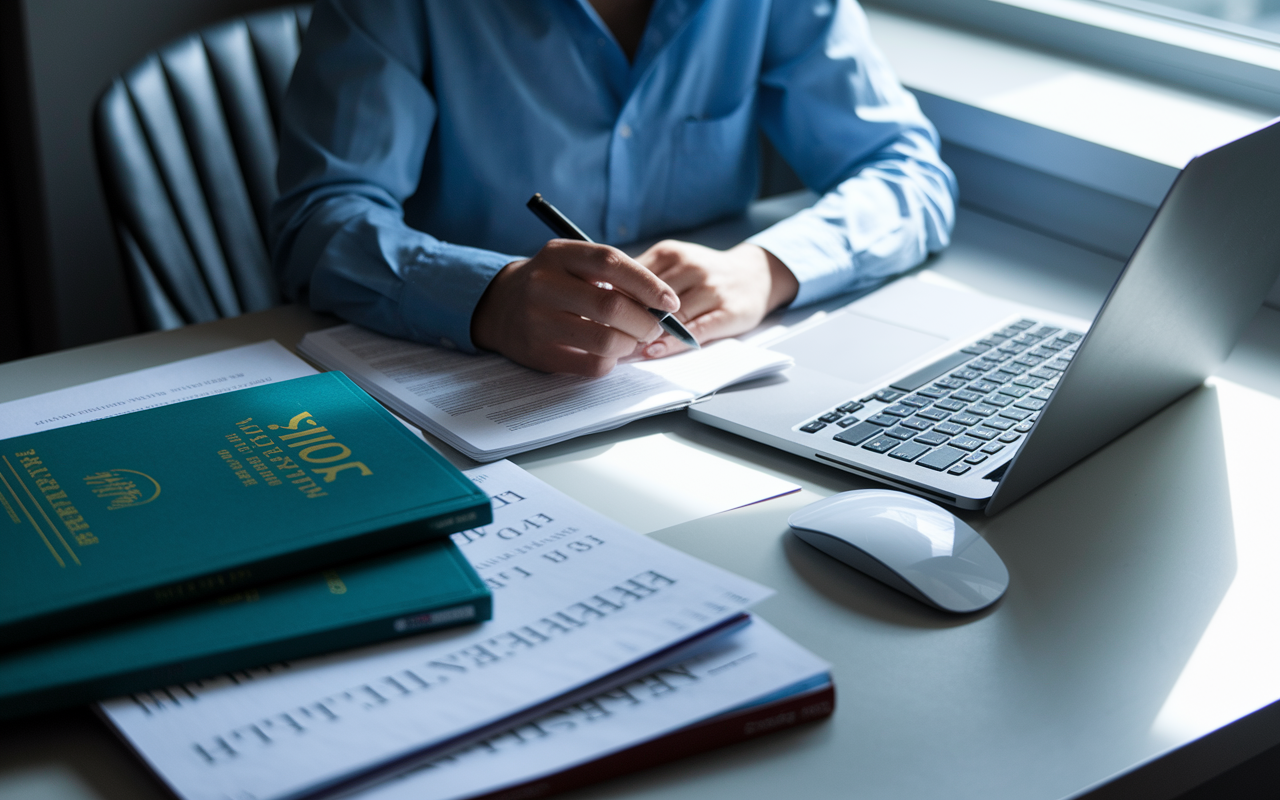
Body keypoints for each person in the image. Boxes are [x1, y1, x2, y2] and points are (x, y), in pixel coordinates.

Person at [271, 0, 956, 377]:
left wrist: (767, 270)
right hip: (466, 394)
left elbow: (908, 172)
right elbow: (319, 222)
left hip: (690, 392)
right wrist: (488, 297)